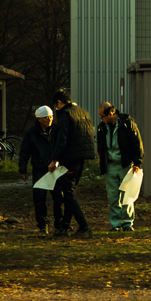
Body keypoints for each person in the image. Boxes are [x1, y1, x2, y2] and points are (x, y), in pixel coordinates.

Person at [47, 89, 96, 237]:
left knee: (68, 194)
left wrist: (54, 159)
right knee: (71, 192)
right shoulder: (83, 113)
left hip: (70, 159)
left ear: (60, 103)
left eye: (56, 105)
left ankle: (84, 226)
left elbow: (61, 140)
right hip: (82, 158)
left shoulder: (65, 116)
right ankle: (65, 226)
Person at [96, 102, 144, 232]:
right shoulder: (102, 127)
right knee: (113, 197)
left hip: (125, 165)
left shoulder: (127, 124)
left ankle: (127, 223)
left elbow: (137, 143)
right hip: (110, 165)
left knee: (126, 195)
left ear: (111, 113)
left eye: (102, 116)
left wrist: (137, 162)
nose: (101, 119)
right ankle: (116, 224)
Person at [18, 105, 59, 234]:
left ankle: (59, 224)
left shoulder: (56, 130)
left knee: (58, 198)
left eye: (51, 117)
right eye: (46, 117)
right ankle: (43, 225)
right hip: (40, 169)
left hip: (55, 169)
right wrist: (23, 169)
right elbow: (24, 151)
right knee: (39, 199)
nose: (49, 119)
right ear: (39, 119)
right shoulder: (31, 133)